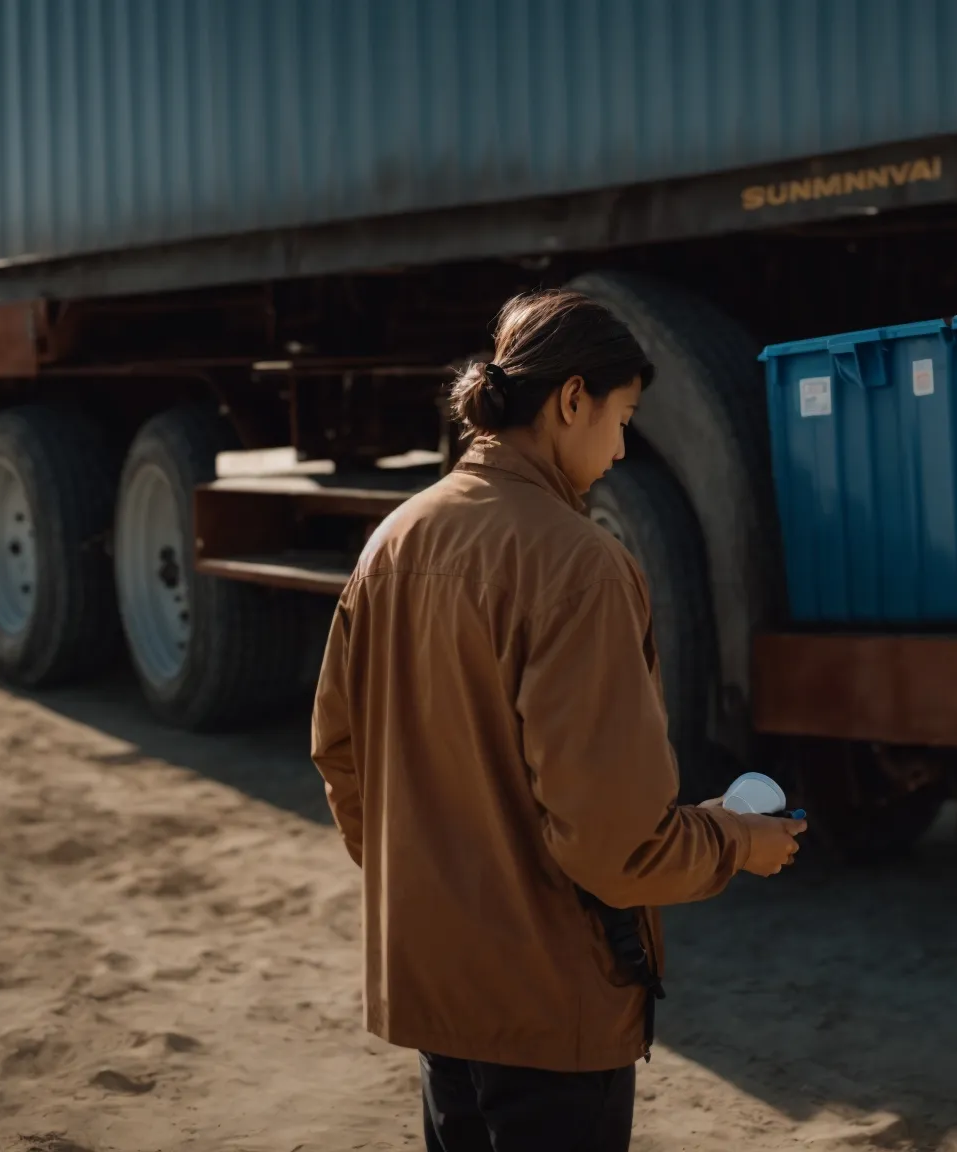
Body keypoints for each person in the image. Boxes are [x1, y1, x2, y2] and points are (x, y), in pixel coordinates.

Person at [310, 289, 806, 1152]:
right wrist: (737, 841)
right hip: (549, 1009)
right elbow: (617, 846)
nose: (620, 449)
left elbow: (340, 754)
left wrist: (436, 893)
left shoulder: (391, 541)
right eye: (623, 418)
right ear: (571, 399)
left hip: (438, 992)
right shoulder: (581, 567)